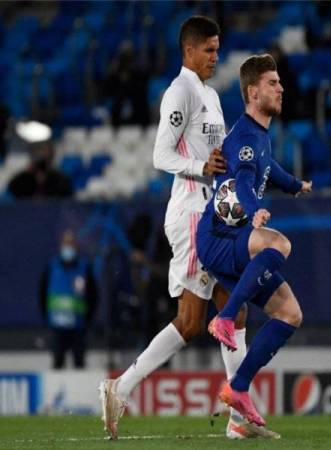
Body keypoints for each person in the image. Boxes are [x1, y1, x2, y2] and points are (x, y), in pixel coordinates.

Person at [99, 16, 279, 440]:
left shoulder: (211, 97)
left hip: (213, 213)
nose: (216, 56)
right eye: (209, 50)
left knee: (206, 316)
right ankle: (233, 413)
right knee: (217, 310)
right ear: (189, 52)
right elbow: (161, 154)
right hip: (192, 215)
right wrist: (200, 166)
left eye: (218, 49)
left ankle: (124, 388)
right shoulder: (180, 92)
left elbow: (218, 153)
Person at [197, 54, 312, 427]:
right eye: (272, 83)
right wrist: (254, 210)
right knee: (279, 244)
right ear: (252, 92)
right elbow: (245, 179)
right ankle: (226, 317)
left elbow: (268, 168)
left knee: (290, 313)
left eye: (280, 82)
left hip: (232, 239)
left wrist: (295, 186)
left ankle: (239, 388)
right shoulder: (246, 136)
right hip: (219, 237)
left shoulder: (258, 135)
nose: (281, 88)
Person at [39, 229, 97, 369]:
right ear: (60, 245)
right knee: (57, 362)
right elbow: (42, 293)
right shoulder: (52, 267)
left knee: (79, 363)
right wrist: (47, 317)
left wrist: (87, 319)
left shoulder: (84, 268)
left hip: (78, 327)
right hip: (57, 327)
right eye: (66, 243)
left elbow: (93, 295)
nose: (68, 247)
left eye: (71, 243)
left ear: (76, 246)